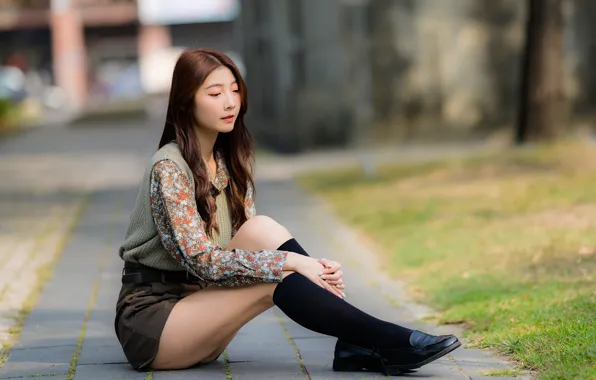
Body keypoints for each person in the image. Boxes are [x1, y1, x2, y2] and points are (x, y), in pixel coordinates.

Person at [114, 48, 461, 376]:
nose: (230, 102)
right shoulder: (170, 169)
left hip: (202, 311)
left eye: (234, 90)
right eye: (215, 93)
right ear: (186, 102)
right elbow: (202, 262)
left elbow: (251, 246)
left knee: (262, 227)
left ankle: (356, 342)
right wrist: (293, 263)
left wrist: (310, 269)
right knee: (276, 276)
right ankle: (383, 339)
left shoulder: (228, 161)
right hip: (155, 327)